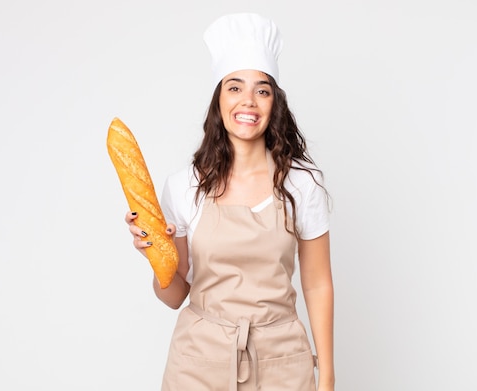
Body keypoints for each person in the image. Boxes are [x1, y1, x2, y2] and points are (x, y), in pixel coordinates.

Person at [125, 13, 335, 391]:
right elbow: (174, 296)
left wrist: (328, 376)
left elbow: (318, 284)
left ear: (275, 103)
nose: (248, 101)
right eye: (234, 88)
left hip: (281, 359)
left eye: (262, 90)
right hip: (198, 362)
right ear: (218, 101)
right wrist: (154, 257)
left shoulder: (302, 185)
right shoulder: (185, 186)